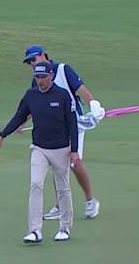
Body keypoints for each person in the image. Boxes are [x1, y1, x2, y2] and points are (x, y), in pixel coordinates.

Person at [0, 60, 79, 244]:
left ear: (51, 76)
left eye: (43, 77)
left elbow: (73, 124)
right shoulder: (31, 95)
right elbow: (19, 116)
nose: (40, 81)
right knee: (35, 184)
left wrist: (74, 151)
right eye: (37, 77)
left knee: (63, 188)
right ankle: (35, 231)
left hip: (61, 149)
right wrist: (2, 135)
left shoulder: (62, 95)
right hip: (39, 148)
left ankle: (64, 228)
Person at [21, 45, 102, 220]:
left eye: (34, 59)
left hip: (75, 124)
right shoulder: (37, 79)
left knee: (74, 163)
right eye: (29, 62)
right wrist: (21, 123)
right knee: (56, 163)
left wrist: (95, 108)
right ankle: (59, 206)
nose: (32, 64)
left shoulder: (64, 70)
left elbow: (83, 92)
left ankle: (91, 200)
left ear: (44, 55)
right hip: (55, 127)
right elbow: (34, 104)